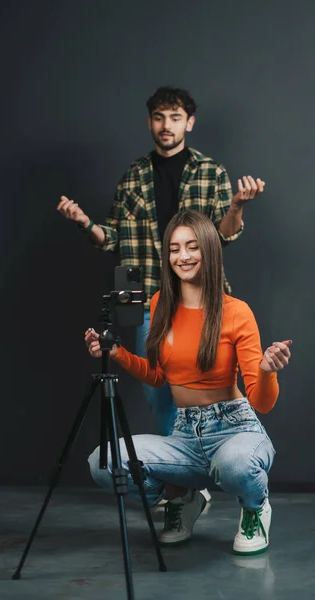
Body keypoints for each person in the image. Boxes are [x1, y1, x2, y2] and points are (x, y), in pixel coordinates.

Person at [58, 86, 266, 441]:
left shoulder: (210, 172)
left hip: (200, 298)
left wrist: (237, 208)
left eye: (175, 117)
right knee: (157, 390)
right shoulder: (133, 175)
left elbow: (224, 235)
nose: (166, 125)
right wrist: (86, 224)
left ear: (190, 123)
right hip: (146, 295)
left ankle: (214, 456)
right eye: (159, 117)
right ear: (150, 122)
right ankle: (182, 477)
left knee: (207, 381)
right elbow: (114, 238)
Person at [85, 210, 291, 555]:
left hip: (234, 429)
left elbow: (262, 402)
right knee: (104, 461)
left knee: (236, 465)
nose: (183, 257)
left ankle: (255, 507)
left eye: (192, 247)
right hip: (184, 435)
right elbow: (157, 375)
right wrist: (116, 352)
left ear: (208, 251)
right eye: (175, 248)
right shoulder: (160, 304)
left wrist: (268, 369)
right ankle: (180, 495)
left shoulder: (236, 311)